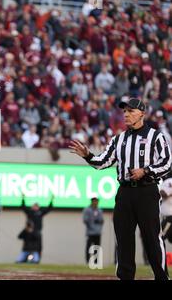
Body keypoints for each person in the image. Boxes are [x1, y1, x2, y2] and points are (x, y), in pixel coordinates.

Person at [69, 98, 171, 280]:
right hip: (124, 193)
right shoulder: (119, 139)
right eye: (124, 111)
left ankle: (162, 277)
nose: (126, 114)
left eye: (131, 111)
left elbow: (167, 162)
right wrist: (87, 155)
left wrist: (146, 171)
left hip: (147, 191)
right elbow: (102, 162)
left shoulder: (156, 136)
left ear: (142, 113)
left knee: (152, 239)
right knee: (123, 239)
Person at [20, 195, 54, 260]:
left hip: (37, 232)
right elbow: (23, 207)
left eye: (37, 206)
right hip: (29, 232)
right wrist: (23, 198)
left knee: (38, 246)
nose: (35, 207)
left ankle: (37, 258)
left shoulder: (40, 212)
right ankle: (24, 258)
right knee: (27, 246)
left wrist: (51, 200)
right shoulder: (29, 212)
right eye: (34, 206)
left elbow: (49, 209)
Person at [83, 197, 104, 264]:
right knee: (89, 247)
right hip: (90, 232)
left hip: (97, 232)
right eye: (94, 201)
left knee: (97, 248)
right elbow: (85, 220)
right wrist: (91, 225)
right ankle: (87, 261)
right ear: (92, 202)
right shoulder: (87, 210)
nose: (95, 203)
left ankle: (96, 262)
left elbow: (101, 220)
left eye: (96, 201)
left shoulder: (99, 210)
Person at [160, 173, 172, 244]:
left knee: (160, 238)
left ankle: (160, 255)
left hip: (169, 217)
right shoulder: (169, 181)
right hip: (167, 216)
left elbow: (162, 193)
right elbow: (162, 193)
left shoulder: (170, 181)